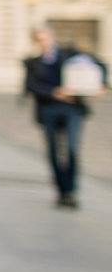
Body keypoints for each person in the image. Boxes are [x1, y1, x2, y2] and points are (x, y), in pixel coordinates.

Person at [23, 26, 106, 209]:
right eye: (39, 39)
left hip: (73, 109)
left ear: (52, 36)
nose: (43, 42)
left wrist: (101, 85)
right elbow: (31, 85)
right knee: (53, 152)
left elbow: (99, 64)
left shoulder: (70, 54)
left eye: (45, 38)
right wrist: (54, 92)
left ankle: (70, 191)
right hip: (48, 109)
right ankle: (61, 190)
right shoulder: (32, 62)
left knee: (71, 150)